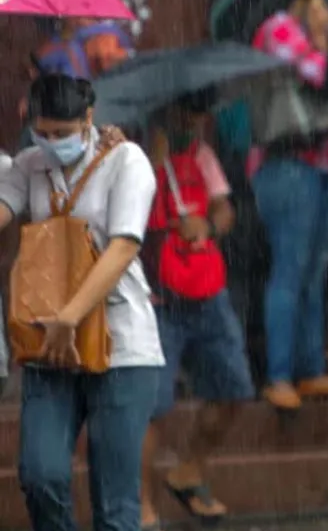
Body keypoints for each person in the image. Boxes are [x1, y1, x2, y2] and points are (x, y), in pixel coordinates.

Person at [0, 75, 163, 531]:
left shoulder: (126, 160)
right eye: (42, 132)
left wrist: (70, 316)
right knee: (40, 475)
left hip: (121, 345)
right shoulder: (28, 165)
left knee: (114, 501)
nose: (52, 143)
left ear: (88, 118)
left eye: (62, 133)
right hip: (48, 345)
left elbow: (124, 246)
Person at [140, 89, 255, 527]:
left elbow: (225, 209)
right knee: (151, 407)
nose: (194, 122)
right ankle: (141, 506)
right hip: (155, 299)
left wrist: (206, 224)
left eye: (200, 115)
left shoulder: (202, 154)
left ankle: (189, 471)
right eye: (188, 113)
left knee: (233, 387)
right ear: (167, 110)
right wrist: (154, 165)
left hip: (205, 289)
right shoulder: (132, 156)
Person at [248, 0, 328, 410]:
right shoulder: (279, 28)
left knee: (315, 271)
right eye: (320, 0)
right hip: (287, 165)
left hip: (324, 165)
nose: (326, 9)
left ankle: (310, 368)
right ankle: (279, 375)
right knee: (290, 270)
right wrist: (326, 40)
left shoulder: (312, 37)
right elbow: (322, 76)